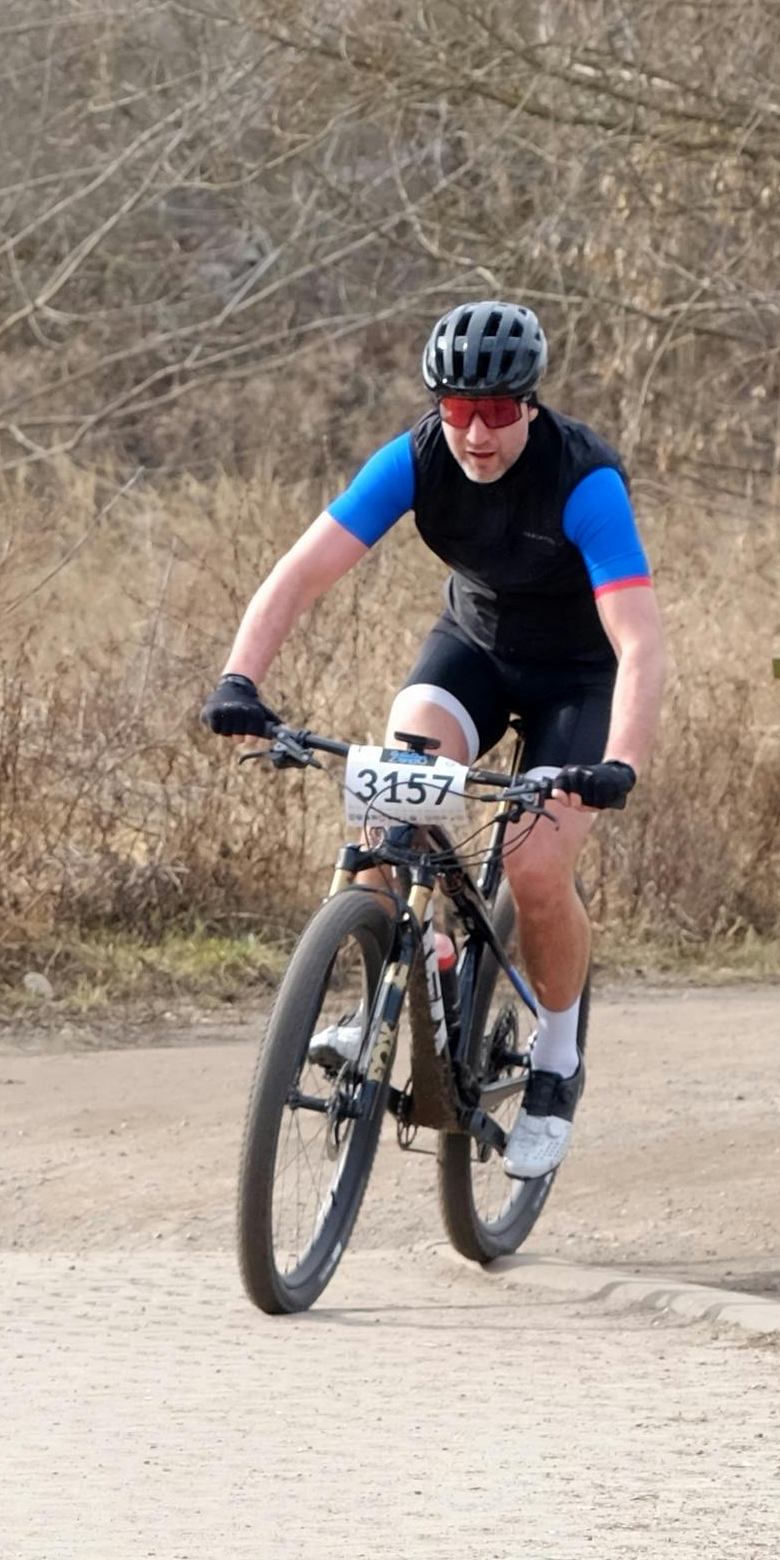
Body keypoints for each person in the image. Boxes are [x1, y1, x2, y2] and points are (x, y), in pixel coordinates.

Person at [200, 300, 666, 1181]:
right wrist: (239, 679)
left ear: (529, 405)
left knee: (533, 868)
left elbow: (639, 641)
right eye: (457, 410)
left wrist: (620, 763)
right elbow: (299, 572)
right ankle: (409, 972)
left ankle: (557, 1063)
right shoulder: (414, 459)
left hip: (577, 678)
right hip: (476, 652)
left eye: (495, 413)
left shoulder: (583, 480)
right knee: (387, 800)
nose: (476, 433)